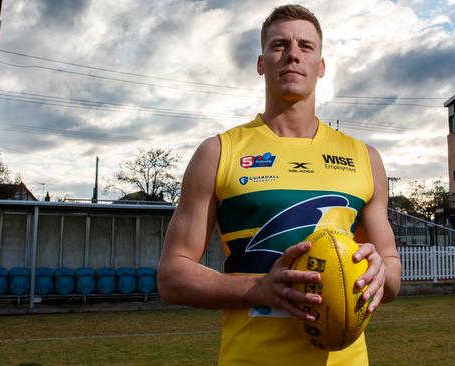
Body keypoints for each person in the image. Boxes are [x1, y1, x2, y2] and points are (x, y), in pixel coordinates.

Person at [157, 4, 401, 366]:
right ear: (261, 63)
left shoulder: (365, 158)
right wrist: (260, 289)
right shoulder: (218, 152)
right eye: (279, 45)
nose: (292, 54)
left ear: (320, 66)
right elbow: (172, 275)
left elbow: (392, 272)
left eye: (306, 46)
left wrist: (380, 272)